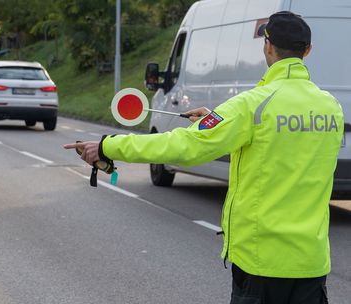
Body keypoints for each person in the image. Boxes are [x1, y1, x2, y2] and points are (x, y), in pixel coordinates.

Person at [64, 11, 343, 304]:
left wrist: (109, 146)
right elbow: (283, 148)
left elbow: (183, 146)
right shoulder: (331, 108)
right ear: (307, 51)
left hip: (262, 262)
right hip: (311, 264)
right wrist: (219, 123)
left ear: (268, 46)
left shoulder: (251, 106)